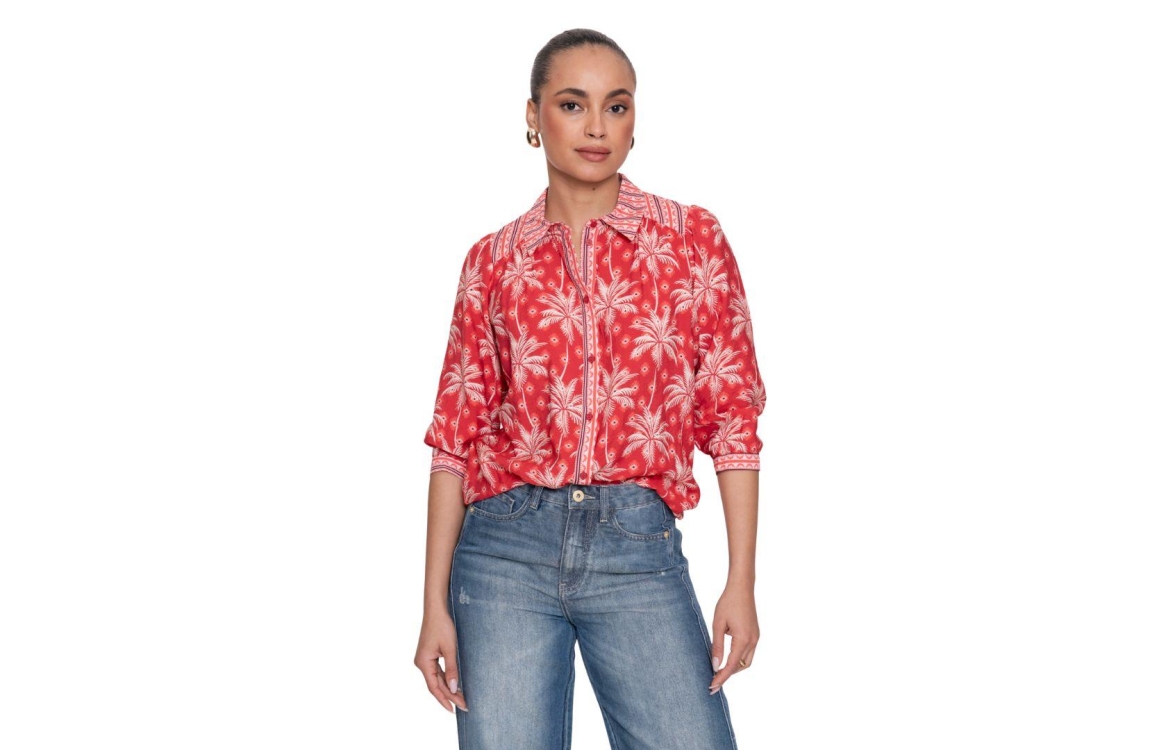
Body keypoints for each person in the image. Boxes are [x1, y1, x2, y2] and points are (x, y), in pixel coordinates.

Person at [413, 28, 765, 750]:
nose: (597, 126)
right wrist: (432, 606)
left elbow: (732, 417)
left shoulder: (689, 240)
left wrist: (741, 580)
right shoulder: (493, 261)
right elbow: (455, 438)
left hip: (636, 546)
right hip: (501, 553)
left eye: (617, 106)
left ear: (635, 119)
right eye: (573, 104)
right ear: (533, 115)